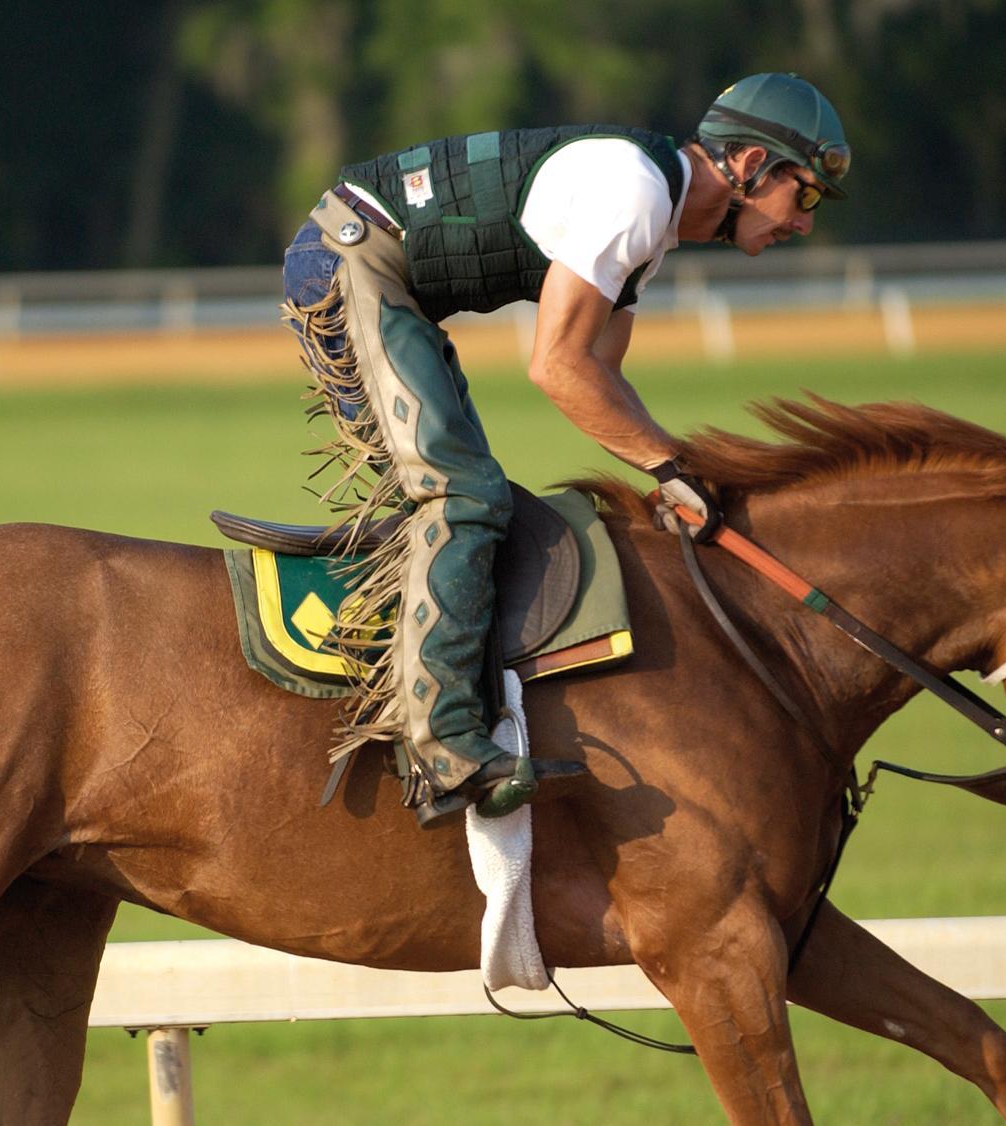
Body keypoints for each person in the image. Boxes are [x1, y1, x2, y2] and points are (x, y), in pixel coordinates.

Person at [280, 72, 850, 828]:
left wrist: (678, 469)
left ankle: (447, 693)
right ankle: (440, 744)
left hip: (385, 278)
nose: (803, 223)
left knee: (479, 493)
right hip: (348, 258)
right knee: (459, 494)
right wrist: (667, 468)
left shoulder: (652, 225)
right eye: (803, 196)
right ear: (749, 165)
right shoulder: (637, 196)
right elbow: (558, 366)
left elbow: (604, 375)